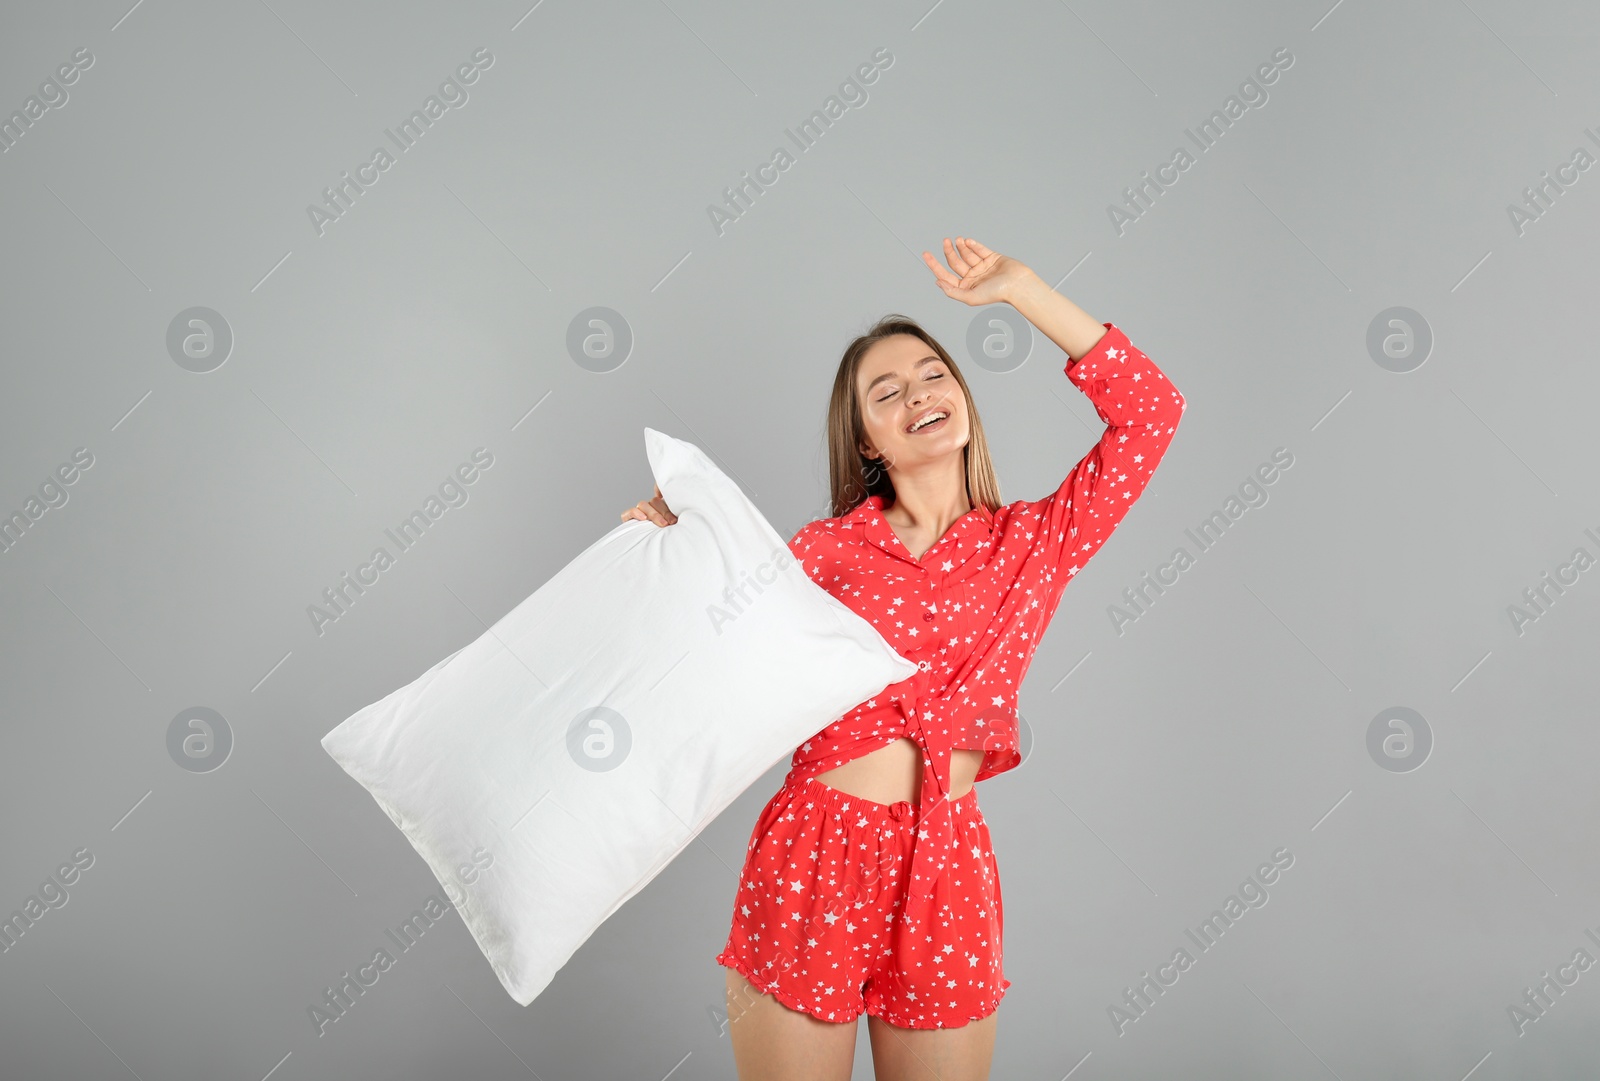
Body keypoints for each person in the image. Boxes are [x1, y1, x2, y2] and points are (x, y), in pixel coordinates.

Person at [622, 237, 1185, 1081]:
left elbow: (1152, 412)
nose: (919, 393)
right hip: (815, 856)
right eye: (887, 392)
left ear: (961, 398)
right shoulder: (818, 553)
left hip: (948, 866)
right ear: (867, 442)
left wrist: (1023, 290)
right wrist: (669, 552)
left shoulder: (1034, 542)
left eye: (932, 374)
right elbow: (709, 665)